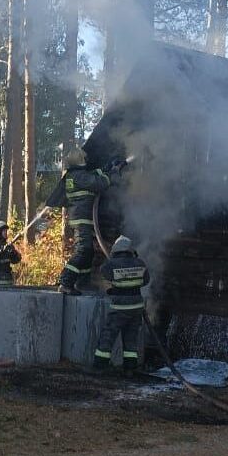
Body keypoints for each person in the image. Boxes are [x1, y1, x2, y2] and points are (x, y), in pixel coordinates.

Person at [56, 147, 117, 295]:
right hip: (81, 219)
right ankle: (66, 281)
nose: (86, 160)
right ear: (80, 160)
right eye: (84, 158)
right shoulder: (78, 176)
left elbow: (93, 176)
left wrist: (107, 167)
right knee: (83, 250)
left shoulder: (75, 175)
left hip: (82, 218)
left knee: (88, 252)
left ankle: (83, 283)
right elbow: (99, 183)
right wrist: (112, 173)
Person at [93, 235, 149, 375]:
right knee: (131, 339)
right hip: (137, 308)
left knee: (108, 336)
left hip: (120, 308)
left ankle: (100, 366)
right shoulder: (140, 263)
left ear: (115, 250)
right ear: (131, 250)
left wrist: (111, 289)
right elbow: (145, 281)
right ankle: (130, 369)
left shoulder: (110, 264)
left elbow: (104, 274)